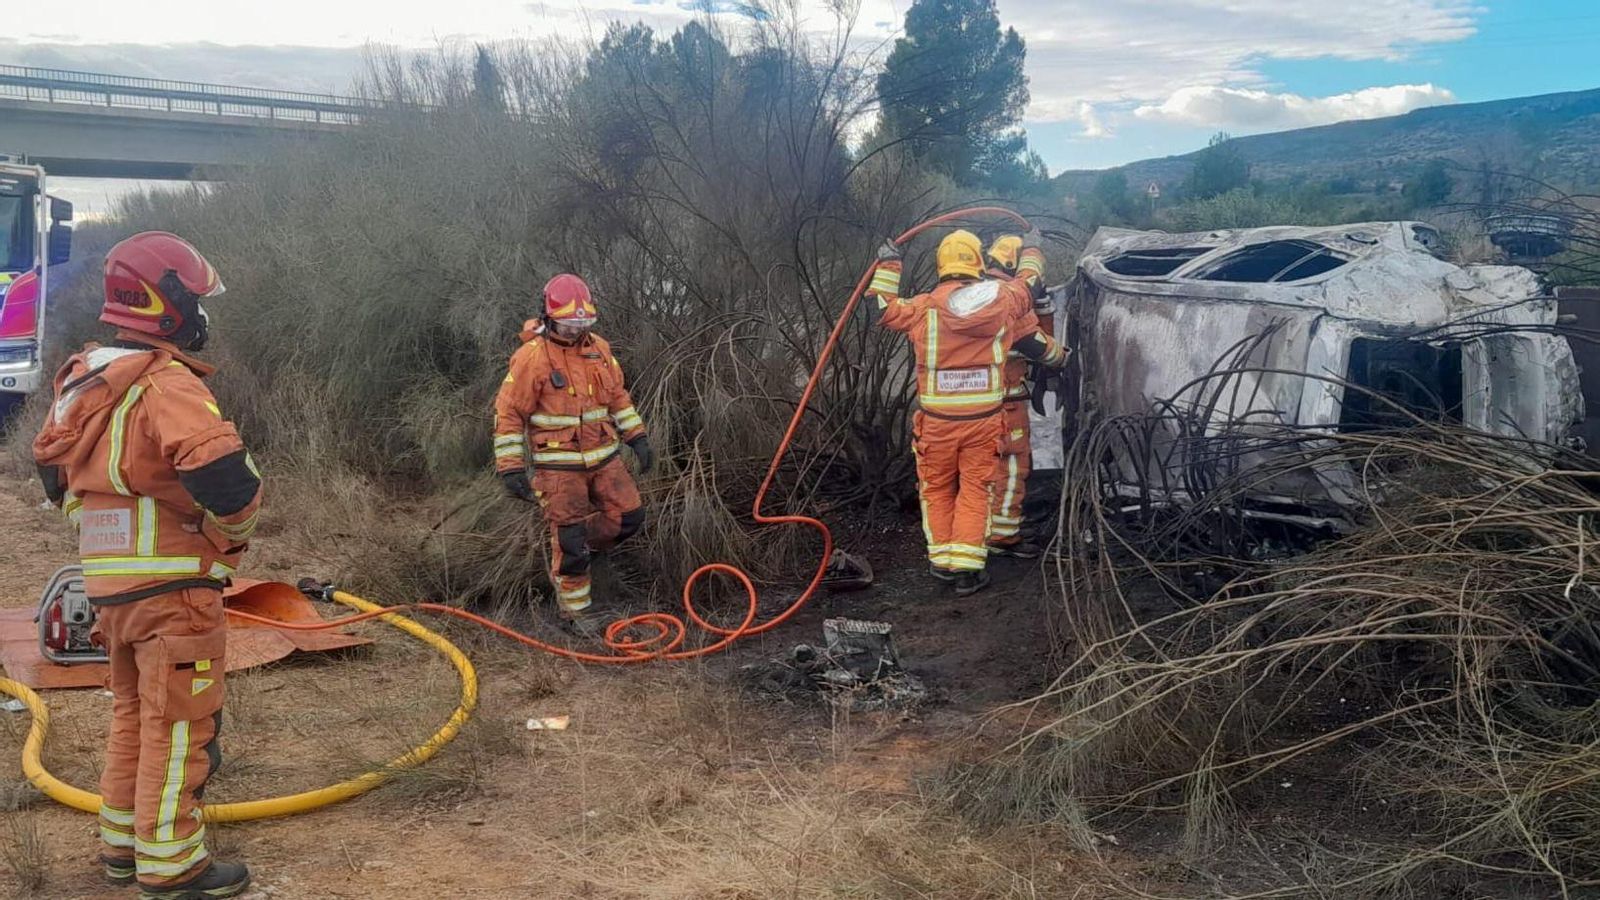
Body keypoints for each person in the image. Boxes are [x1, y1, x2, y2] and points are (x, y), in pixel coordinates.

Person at [33, 232, 260, 899]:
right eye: (197, 300)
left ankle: (123, 847)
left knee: (133, 716)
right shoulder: (164, 382)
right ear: (169, 302)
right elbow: (228, 482)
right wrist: (228, 542)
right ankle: (172, 865)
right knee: (179, 726)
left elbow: (56, 483)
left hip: (111, 592)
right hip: (174, 593)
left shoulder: (83, 383)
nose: (202, 314)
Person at [868, 229, 1066, 595]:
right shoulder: (1003, 300)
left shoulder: (924, 307)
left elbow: (881, 308)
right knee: (976, 490)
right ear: (978, 261)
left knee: (936, 489)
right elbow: (1031, 284)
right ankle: (967, 570)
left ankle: (942, 561)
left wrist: (889, 263)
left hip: (936, 424)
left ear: (941, 264)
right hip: (983, 423)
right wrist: (1033, 248)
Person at [493, 274, 653, 634]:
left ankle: (578, 547)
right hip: (558, 466)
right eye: (568, 323)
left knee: (629, 518)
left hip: (604, 457)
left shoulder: (600, 349)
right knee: (569, 539)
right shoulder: (532, 357)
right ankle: (577, 614)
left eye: (582, 322)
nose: (575, 329)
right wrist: (511, 467)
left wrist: (637, 436)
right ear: (549, 317)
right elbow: (509, 413)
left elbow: (618, 398)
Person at [982, 233, 1054, 558]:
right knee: (1011, 467)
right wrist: (1063, 358)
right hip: (1006, 403)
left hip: (969, 406)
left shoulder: (968, 294)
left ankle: (976, 531)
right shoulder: (1010, 299)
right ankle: (1002, 535)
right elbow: (1039, 346)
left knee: (978, 468)